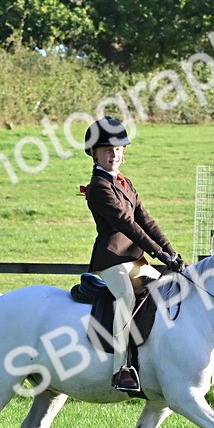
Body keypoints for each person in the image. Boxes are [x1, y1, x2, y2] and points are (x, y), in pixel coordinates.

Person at [83, 117, 185, 392]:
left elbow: (146, 221)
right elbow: (128, 225)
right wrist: (158, 253)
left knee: (166, 289)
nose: (113, 154)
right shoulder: (99, 188)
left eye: (117, 149)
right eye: (106, 150)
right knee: (126, 296)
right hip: (111, 258)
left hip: (134, 258)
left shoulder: (126, 184)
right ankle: (121, 369)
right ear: (94, 153)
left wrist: (171, 252)